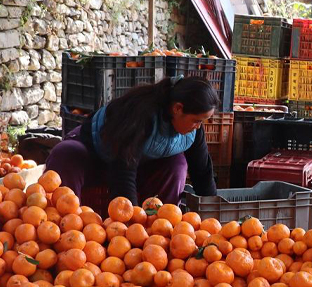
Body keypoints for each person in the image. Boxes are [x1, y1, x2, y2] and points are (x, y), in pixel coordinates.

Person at [46, 76, 220, 206]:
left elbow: (202, 172)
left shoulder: (193, 129)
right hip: (97, 155)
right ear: (178, 108)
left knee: (176, 164)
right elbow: (122, 174)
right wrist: (131, 227)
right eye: (197, 121)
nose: (199, 127)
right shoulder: (140, 116)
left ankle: (161, 228)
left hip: (138, 164)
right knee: (66, 154)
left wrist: (213, 214)